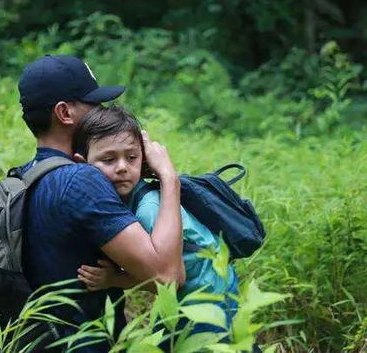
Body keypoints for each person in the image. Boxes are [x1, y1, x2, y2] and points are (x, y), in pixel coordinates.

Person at [17, 55, 185, 351]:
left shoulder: (27, 174)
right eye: (94, 105)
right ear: (64, 113)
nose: (103, 112)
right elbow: (167, 275)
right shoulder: (81, 180)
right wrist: (169, 178)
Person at [72, 104, 239, 335]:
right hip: (189, 295)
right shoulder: (124, 200)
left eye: (131, 157)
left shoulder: (148, 209)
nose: (122, 167)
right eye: (108, 160)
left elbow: (170, 280)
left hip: (208, 293)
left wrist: (114, 279)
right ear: (82, 164)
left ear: (143, 159)